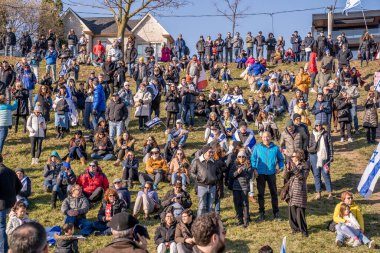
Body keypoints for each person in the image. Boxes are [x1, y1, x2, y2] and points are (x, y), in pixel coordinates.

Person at [251, 131, 284, 221]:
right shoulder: (257, 147)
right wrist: (254, 169)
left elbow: (281, 159)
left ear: (271, 137)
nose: (266, 138)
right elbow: (253, 159)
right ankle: (261, 213)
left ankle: (276, 213)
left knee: (273, 193)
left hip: (271, 173)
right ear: (262, 138)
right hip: (260, 173)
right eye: (264, 137)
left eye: (268, 136)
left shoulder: (275, 148)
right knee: (260, 194)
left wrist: (281, 168)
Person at [284, 150, 309, 237]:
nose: (291, 158)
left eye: (293, 156)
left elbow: (302, 177)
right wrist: (287, 170)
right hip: (291, 191)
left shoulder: (305, 165)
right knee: (291, 211)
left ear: (298, 157)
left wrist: (294, 168)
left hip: (300, 191)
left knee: (299, 212)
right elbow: (286, 178)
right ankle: (294, 228)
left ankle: (304, 231)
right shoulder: (291, 166)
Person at [191, 146, 221, 216]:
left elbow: (219, 172)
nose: (211, 153)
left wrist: (216, 178)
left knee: (210, 207)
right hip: (202, 186)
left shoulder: (214, 162)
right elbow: (192, 172)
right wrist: (198, 178)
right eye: (210, 152)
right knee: (201, 206)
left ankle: (208, 224)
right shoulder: (197, 161)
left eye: (212, 152)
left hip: (212, 187)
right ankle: (199, 223)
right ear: (205, 152)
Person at [0, 154, 22, 252]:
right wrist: (12, 196)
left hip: (1, 205)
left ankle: (3, 250)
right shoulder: (11, 171)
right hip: (11, 203)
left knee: (2, 227)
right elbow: (19, 186)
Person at [308, 120, 333, 200]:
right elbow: (309, 146)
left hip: (324, 156)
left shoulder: (326, 134)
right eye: (317, 125)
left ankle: (330, 192)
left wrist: (331, 155)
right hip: (314, 156)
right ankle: (318, 192)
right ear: (314, 126)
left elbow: (330, 145)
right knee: (316, 174)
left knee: (326, 174)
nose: (318, 127)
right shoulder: (312, 135)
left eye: (320, 125)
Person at [228, 150, 251, 228]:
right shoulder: (234, 165)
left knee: (245, 204)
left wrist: (243, 172)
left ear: (245, 157)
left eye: (243, 156)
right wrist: (237, 172)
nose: (241, 158)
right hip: (236, 187)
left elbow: (249, 176)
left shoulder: (248, 165)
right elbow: (231, 175)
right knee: (237, 203)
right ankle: (240, 219)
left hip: (244, 187)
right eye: (239, 156)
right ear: (237, 157)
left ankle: (246, 221)